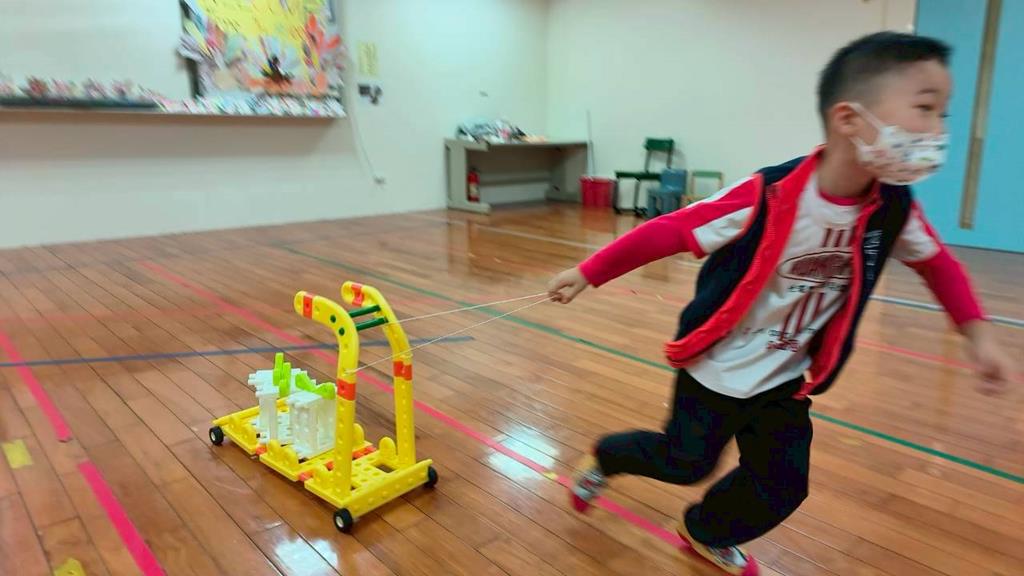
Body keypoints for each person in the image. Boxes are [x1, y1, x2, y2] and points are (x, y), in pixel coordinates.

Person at [546, 31, 1014, 576]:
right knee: (685, 462)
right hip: (716, 370)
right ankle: (606, 457)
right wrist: (588, 272)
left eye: (943, 115)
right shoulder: (768, 194)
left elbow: (938, 264)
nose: (937, 132)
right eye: (925, 109)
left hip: (786, 378)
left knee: (783, 485)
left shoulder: (893, 207)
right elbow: (672, 229)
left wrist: (977, 332)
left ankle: (706, 530)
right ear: (849, 119)